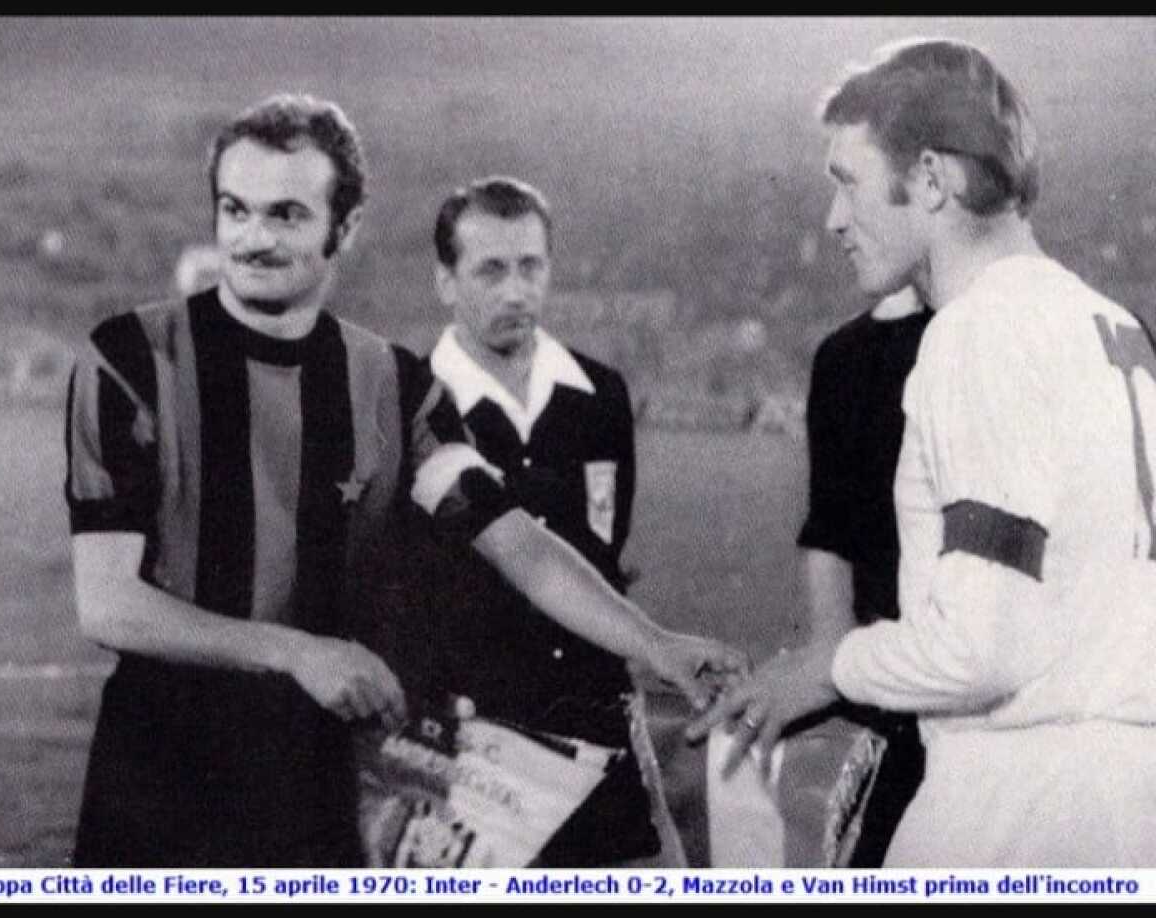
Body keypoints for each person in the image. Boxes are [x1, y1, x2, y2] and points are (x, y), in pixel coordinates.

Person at [64, 93, 742, 868]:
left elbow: (516, 544)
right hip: (158, 772)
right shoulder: (130, 358)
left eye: (287, 215)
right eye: (235, 210)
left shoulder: (392, 384)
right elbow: (108, 604)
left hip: (315, 779)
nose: (253, 239)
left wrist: (656, 644)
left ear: (345, 227)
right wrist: (298, 653)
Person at [689, 38, 1156, 866]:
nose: (834, 219)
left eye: (848, 181)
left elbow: (979, 648)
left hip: (1016, 804)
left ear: (932, 179)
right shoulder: (1109, 323)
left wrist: (832, 665)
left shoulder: (978, 330)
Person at [397, 175, 680, 866]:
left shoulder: (601, 394)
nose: (516, 291)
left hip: (596, 733)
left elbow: (604, 551)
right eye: (491, 270)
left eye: (531, 267)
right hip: (471, 749)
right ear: (445, 281)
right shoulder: (411, 403)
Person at [795, 283, 931, 866]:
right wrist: (829, 662)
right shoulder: (843, 355)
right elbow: (828, 531)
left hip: (984, 703)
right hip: (885, 700)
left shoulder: (991, 336)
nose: (840, 234)